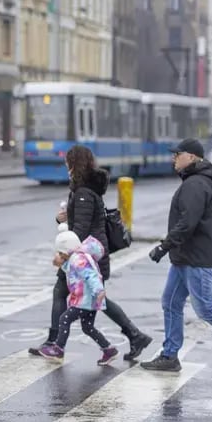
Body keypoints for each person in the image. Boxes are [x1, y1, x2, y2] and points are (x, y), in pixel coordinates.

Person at [28, 145, 152, 360]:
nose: (66, 165)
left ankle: (55, 342)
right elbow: (82, 221)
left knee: (82, 296)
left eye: (68, 162)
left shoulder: (84, 191)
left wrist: (64, 254)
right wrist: (64, 217)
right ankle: (132, 337)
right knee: (94, 299)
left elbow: (81, 230)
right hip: (87, 255)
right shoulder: (83, 188)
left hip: (86, 257)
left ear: (74, 164)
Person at [142, 139, 212, 372]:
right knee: (170, 302)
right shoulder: (195, 181)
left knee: (207, 310)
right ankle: (170, 355)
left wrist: (164, 247)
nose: (173, 158)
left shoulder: (196, 185)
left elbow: (187, 223)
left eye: (177, 154)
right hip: (185, 257)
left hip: (197, 258)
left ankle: (169, 354)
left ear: (191, 157)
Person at [38, 224, 119, 365]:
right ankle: (108, 350)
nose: (58, 255)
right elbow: (71, 269)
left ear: (65, 251)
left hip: (86, 300)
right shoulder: (75, 258)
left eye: (59, 252)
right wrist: (60, 264)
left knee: (64, 319)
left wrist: (99, 291)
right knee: (87, 327)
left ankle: (58, 349)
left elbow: (91, 276)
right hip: (89, 300)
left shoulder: (79, 260)